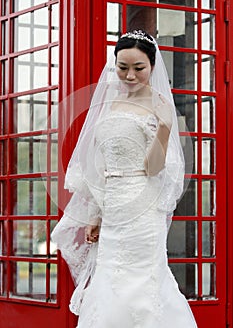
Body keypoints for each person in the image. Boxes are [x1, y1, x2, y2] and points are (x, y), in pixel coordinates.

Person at [51, 30, 198, 327]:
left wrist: (166, 125)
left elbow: (155, 168)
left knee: (145, 282)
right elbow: (101, 165)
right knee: (109, 280)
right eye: (123, 67)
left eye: (138, 68)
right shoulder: (109, 103)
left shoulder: (158, 105)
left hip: (143, 210)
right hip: (112, 209)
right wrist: (96, 213)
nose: (130, 76)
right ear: (114, 64)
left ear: (152, 67)